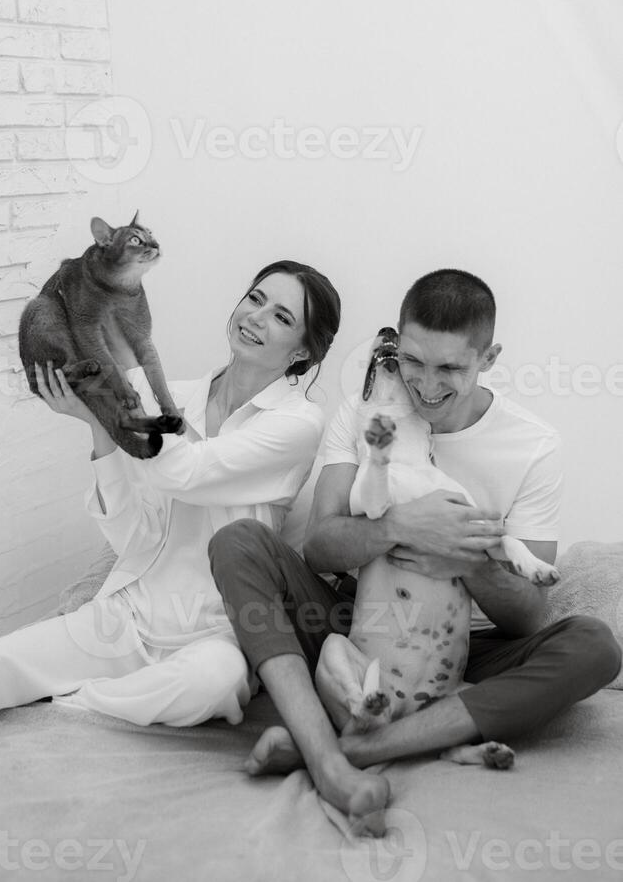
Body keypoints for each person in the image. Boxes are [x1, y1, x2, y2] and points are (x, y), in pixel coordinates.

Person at [208, 268, 622, 826]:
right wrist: (398, 526)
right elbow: (319, 548)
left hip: (467, 642)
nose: (425, 385)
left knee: (595, 645)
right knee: (239, 542)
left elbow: (527, 616)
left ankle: (347, 751)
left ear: (489, 357)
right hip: (357, 621)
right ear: (397, 345)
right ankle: (331, 758)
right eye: (412, 361)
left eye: (450, 367)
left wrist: (462, 557)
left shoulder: (533, 447)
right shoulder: (365, 415)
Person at [0, 261, 353, 737]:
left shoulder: (297, 423)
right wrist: (98, 423)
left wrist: (120, 376)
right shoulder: (174, 397)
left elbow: (184, 472)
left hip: (213, 631)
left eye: (282, 317)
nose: (256, 317)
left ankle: (69, 702)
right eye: (255, 299)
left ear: (303, 352)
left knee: (215, 685)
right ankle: (105, 690)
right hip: (128, 615)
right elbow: (136, 535)